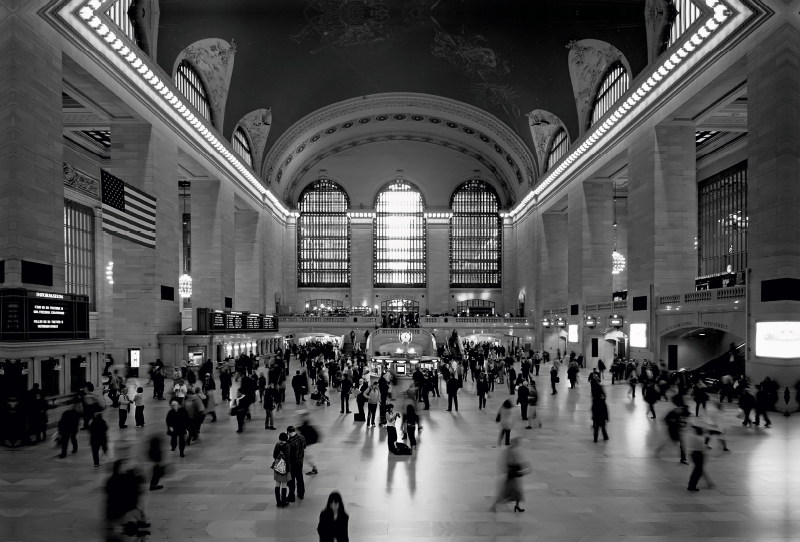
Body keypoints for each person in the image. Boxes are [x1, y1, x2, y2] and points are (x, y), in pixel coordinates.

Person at [490, 438, 529, 513]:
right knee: (507, 493)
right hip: (512, 475)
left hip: (515, 474)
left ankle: (517, 506)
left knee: (518, 492)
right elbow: (510, 462)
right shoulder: (510, 451)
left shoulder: (513, 450)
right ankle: (493, 506)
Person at [686, 425, 714, 491]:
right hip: (699, 454)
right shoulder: (701, 439)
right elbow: (704, 447)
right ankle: (692, 485)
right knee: (698, 470)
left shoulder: (693, 436)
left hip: (693, 453)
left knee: (698, 469)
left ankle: (693, 484)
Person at [286, 426, 306, 502]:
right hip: (300, 462)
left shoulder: (289, 442)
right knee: (300, 477)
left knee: (291, 480)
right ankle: (301, 493)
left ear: (288, 432)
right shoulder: (302, 437)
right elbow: (304, 447)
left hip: (292, 463)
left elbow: (288, 454)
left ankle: (291, 495)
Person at [272, 432, 293, 508]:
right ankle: (284, 502)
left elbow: (274, 455)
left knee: (277, 484)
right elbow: (287, 457)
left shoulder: (277, 445)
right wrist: (288, 468)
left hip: (277, 466)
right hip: (284, 467)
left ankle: (278, 502)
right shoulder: (287, 445)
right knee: (284, 485)